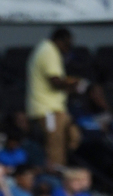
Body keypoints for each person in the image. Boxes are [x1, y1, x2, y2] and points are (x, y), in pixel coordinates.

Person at [26, 28, 81, 169]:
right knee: (55, 146)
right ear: (59, 41)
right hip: (47, 110)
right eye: (67, 44)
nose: (68, 49)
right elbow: (55, 81)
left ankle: (62, 170)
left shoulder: (47, 49)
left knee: (74, 137)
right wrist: (74, 83)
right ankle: (54, 176)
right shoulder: (48, 51)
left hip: (57, 110)